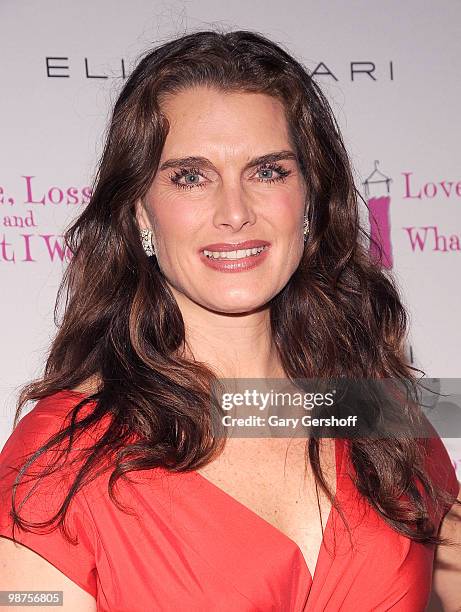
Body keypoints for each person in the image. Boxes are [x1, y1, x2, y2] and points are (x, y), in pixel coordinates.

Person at [0, 28, 460, 612]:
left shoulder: (377, 412)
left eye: (268, 172)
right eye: (191, 176)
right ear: (140, 208)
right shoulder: (63, 458)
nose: (235, 212)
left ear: (311, 198)